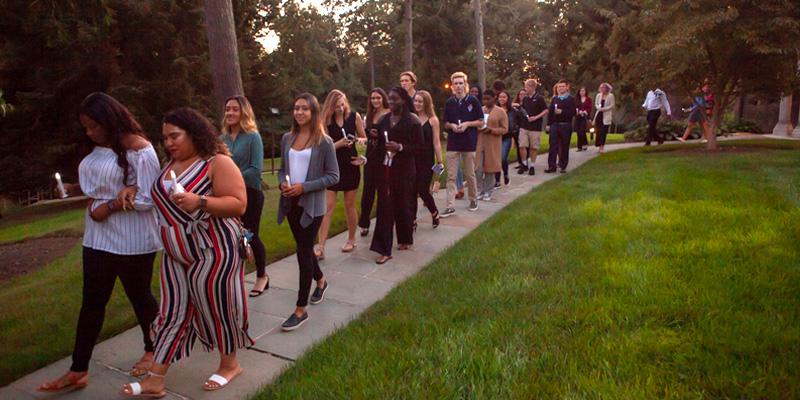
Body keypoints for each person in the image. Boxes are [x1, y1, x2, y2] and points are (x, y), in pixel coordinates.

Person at [122, 107, 251, 397]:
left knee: (218, 305)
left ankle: (230, 364)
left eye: (175, 136)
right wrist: (132, 189)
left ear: (194, 133)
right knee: (171, 313)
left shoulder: (216, 162)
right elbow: (158, 200)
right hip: (174, 252)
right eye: (165, 138)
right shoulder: (168, 166)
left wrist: (201, 201)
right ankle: (155, 379)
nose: (169, 143)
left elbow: (238, 204)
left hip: (215, 248)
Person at [38, 92, 161, 394]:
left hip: (132, 240)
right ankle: (78, 369)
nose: (89, 132)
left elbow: (148, 197)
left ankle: (154, 350)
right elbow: (108, 183)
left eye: (94, 126)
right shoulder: (100, 147)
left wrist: (110, 207)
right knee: (91, 304)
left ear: (109, 119)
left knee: (141, 299)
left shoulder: (140, 150)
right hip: (97, 239)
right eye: (86, 127)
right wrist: (74, 187)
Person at [276, 93, 339, 331]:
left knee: (303, 252)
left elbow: (334, 176)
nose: (300, 112)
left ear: (313, 112)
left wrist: (304, 187)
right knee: (303, 248)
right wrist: (284, 182)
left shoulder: (324, 142)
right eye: (296, 108)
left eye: (305, 109)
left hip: (312, 207)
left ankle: (300, 309)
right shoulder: (287, 138)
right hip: (290, 203)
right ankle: (321, 281)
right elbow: (282, 169)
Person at [220, 95, 268, 297]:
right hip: (227, 196)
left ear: (243, 112)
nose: (230, 113)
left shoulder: (253, 137)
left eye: (235, 109)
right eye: (227, 109)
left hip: (250, 194)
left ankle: (262, 276)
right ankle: (234, 278)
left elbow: (255, 169)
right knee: (231, 237)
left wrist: (230, 178)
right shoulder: (221, 139)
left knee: (250, 235)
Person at [370, 87, 423, 264]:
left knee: (403, 204)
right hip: (386, 169)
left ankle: (405, 238)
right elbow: (378, 145)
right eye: (390, 100)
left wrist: (400, 147)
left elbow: (419, 147)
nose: (391, 103)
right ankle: (383, 248)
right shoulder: (384, 120)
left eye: (395, 99)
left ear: (403, 100)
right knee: (385, 207)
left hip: (405, 169)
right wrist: (375, 138)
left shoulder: (412, 120)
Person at [316, 90, 366, 259]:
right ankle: (321, 246)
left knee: (349, 205)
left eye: (343, 104)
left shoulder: (354, 117)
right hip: (332, 167)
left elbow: (364, 139)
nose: (341, 108)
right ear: (331, 106)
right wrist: (339, 143)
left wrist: (361, 151)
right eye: (337, 106)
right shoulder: (325, 121)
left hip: (351, 165)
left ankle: (352, 239)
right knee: (327, 206)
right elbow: (323, 148)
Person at [440, 72, 484, 218]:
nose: (458, 86)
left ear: (465, 85)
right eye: (455, 83)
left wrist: (467, 124)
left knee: (470, 174)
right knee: (451, 176)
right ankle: (450, 205)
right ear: (452, 86)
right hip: (453, 143)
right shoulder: (449, 102)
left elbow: (481, 121)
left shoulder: (473, 101)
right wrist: (452, 126)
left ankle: (473, 199)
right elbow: (445, 122)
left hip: (469, 142)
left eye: (461, 83)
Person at [358, 88, 390, 237]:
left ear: (383, 98)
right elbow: (365, 136)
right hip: (370, 156)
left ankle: (383, 223)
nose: (375, 101)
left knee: (383, 192)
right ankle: (364, 223)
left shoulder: (389, 114)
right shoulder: (370, 115)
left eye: (378, 98)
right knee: (367, 191)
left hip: (384, 156)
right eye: (373, 99)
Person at [412, 90, 443, 228]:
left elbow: (436, 142)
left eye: (420, 101)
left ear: (426, 103)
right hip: (412, 159)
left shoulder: (433, 120)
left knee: (423, 190)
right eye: (416, 101)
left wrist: (440, 162)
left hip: (426, 159)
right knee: (411, 190)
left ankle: (434, 212)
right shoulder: (411, 117)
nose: (417, 104)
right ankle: (412, 220)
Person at [476, 89, 508, 200]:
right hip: (480, 142)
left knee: (490, 167)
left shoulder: (500, 112)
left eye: (488, 99)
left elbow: (504, 129)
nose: (485, 101)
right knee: (478, 168)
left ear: (494, 98)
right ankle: (479, 189)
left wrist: (491, 130)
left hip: (493, 143)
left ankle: (488, 190)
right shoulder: (480, 110)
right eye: (484, 99)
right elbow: (476, 123)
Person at [516, 79, 548, 175]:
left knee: (534, 147)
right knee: (522, 145)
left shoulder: (539, 98)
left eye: (527, 87)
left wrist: (536, 117)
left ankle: (532, 165)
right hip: (524, 126)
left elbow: (546, 110)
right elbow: (523, 110)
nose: (525, 89)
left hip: (535, 127)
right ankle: (524, 164)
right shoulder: (525, 99)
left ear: (533, 87)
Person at [546, 80, 577, 173]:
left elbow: (573, 112)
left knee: (564, 146)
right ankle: (551, 166)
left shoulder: (571, 99)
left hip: (565, 125)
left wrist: (562, 112)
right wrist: (548, 124)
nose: (560, 88)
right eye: (559, 87)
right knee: (553, 145)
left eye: (562, 86)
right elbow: (550, 112)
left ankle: (563, 165)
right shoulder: (555, 99)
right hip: (555, 125)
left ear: (567, 87)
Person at [495, 91, 522, 186]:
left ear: (508, 98)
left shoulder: (512, 111)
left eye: (504, 97)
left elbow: (519, 120)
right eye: (500, 97)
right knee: (496, 159)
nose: (501, 99)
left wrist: (514, 129)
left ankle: (505, 174)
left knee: (502, 158)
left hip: (507, 137)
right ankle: (497, 180)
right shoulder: (494, 110)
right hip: (496, 137)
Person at [593, 82, 615, 153]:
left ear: (606, 88)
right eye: (601, 88)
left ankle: (602, 146)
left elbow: (612, 105)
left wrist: (604, 109)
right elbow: (596, 104)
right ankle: (598, 145)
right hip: (599, 114)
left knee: (603, 131)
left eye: (603, 87)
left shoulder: (611, 96)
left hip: (606, 115)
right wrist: (598, 108)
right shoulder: (598, 95)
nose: (601, 89)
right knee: (598, 131)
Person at [575, 87, 593, 151]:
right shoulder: (577, 99)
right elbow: (575, 107)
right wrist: (578, 111)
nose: (582, 92)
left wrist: (585, 112)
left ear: (585, 92)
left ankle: (584, 143)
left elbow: (590, 108)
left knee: (582, 131)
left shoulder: (588, 99)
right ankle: (579, 147)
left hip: (585, 117)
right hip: (578, 117)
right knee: (578, 132)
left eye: (583, 91)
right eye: (581, 91)